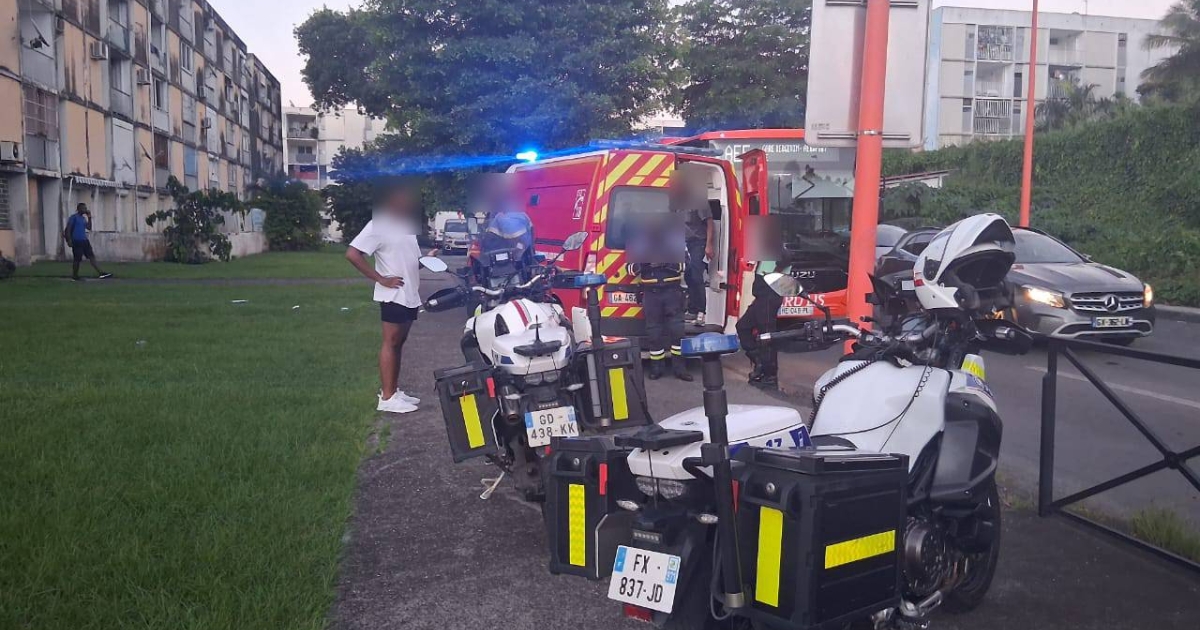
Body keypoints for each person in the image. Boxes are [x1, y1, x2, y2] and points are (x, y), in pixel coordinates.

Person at [345, 183, 428, 414]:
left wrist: (428, 259)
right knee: (390, 342)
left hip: (410, 294)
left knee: (399, 343)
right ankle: (387, 398)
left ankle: (393, 390)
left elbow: (411, 262)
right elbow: (352, 254)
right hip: (393, 294)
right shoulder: (378, 225)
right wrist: (380, 279)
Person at [62, 203, 112, 281]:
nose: (85, 210)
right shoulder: (73, 218)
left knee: (91, 256)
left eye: (85, 208)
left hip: (84, 241)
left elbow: (89, 228)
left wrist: (89, 217)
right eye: (83, 208)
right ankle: (75, 275)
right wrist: (69, 240)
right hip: (77, 241)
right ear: (79, 209)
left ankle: (101, 273)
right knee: (77, 259)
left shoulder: (83, 219)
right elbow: (68, 229)